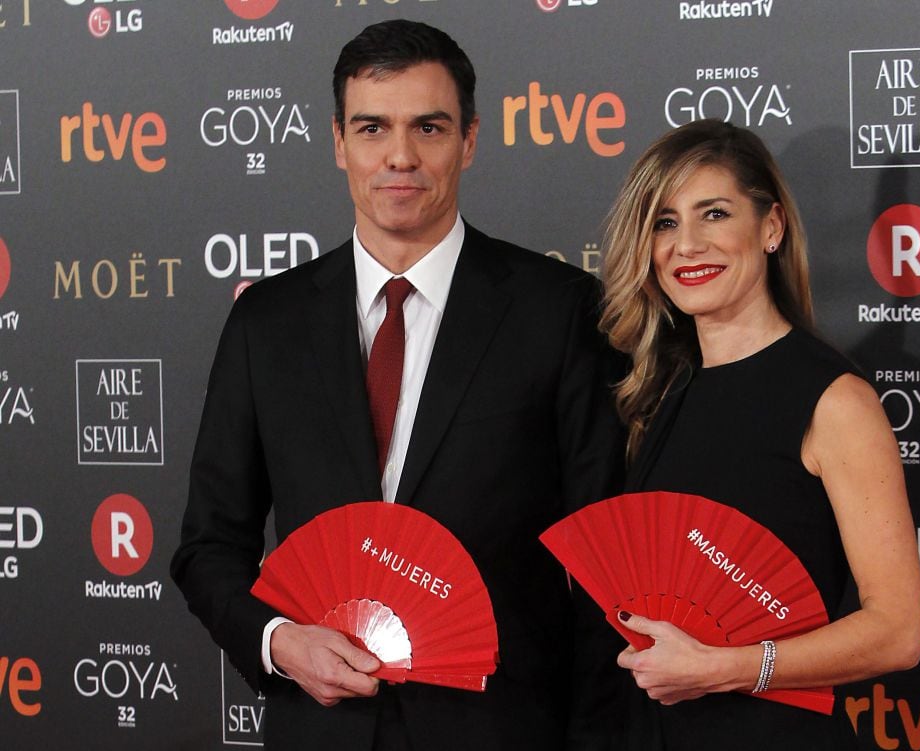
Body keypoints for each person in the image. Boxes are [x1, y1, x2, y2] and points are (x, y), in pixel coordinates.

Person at [171, 19, 623, 751]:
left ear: (470, 140)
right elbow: (208, 546)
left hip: (503, 729)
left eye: (430, 127)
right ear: (338, 142)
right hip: (322, 730)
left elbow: (606, 566)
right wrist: (281, 642)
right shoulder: (267, 322)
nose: (401, 157)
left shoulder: (560, 310)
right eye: (373, 128)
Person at [595, 119, 920, 748]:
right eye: (665, 222)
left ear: (770, 227)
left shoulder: (834, 401)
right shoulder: (657, 391)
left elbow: (898, 632)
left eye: (713, 214)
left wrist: (726, 669)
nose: (686, 245)